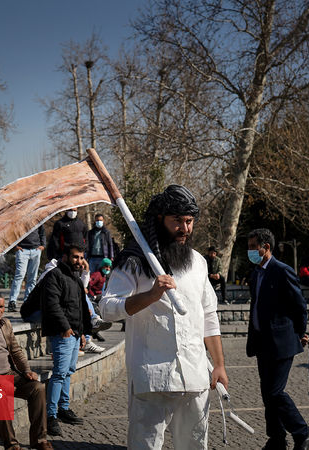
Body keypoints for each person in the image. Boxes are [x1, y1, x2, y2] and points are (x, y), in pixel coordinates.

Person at [100, 185, 228, 450]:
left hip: (195, 376)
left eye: (189, 221)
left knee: (195, 445)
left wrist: (219, 364)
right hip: (152, 377)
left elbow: (209, 316)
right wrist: (151, 295)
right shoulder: (134, 262)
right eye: (177, 221)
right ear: (160, 220)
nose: (185, 229)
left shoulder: (199, 262)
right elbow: (107, 308)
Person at [246, 228, 309, 450]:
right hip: (261, 342)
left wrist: (300, 332)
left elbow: (299, 306)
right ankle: (276, 438)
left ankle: (303, 433)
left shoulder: (282, 271)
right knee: (268, 394)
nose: (249, 251)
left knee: (276, 391)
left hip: (281, 342)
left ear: (266, 247)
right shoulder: (256, 273)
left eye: (252, 246)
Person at [0, 293, 52, 450]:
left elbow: (16, 351)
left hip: (9, 374)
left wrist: (27, 370)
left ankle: (39, 440)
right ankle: (12, 444)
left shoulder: (5, 324)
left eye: (1, 307)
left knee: (38, 388)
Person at [39, 243, 92, 436]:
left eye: (81, 258)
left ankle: (63, 408)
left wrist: (85, 333)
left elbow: (82, 308)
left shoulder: (76, 280)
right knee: (60, 373)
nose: (79, 261)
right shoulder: (55, 276)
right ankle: (50, 415)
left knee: (68, 371)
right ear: (65, 257)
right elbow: (52, 304)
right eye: (75, 257)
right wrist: (66, 328)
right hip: (63, 333)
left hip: (75, 334)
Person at [8, 225, 46, 312]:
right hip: (22, 250)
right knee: (19, 275)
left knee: (32, 278)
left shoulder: (38, 217)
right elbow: (12, 232)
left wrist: (43, 245)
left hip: (36, 250)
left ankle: (28, 302)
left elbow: (42, 233)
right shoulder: (20, 217)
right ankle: (12, 301)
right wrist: (15, 246)